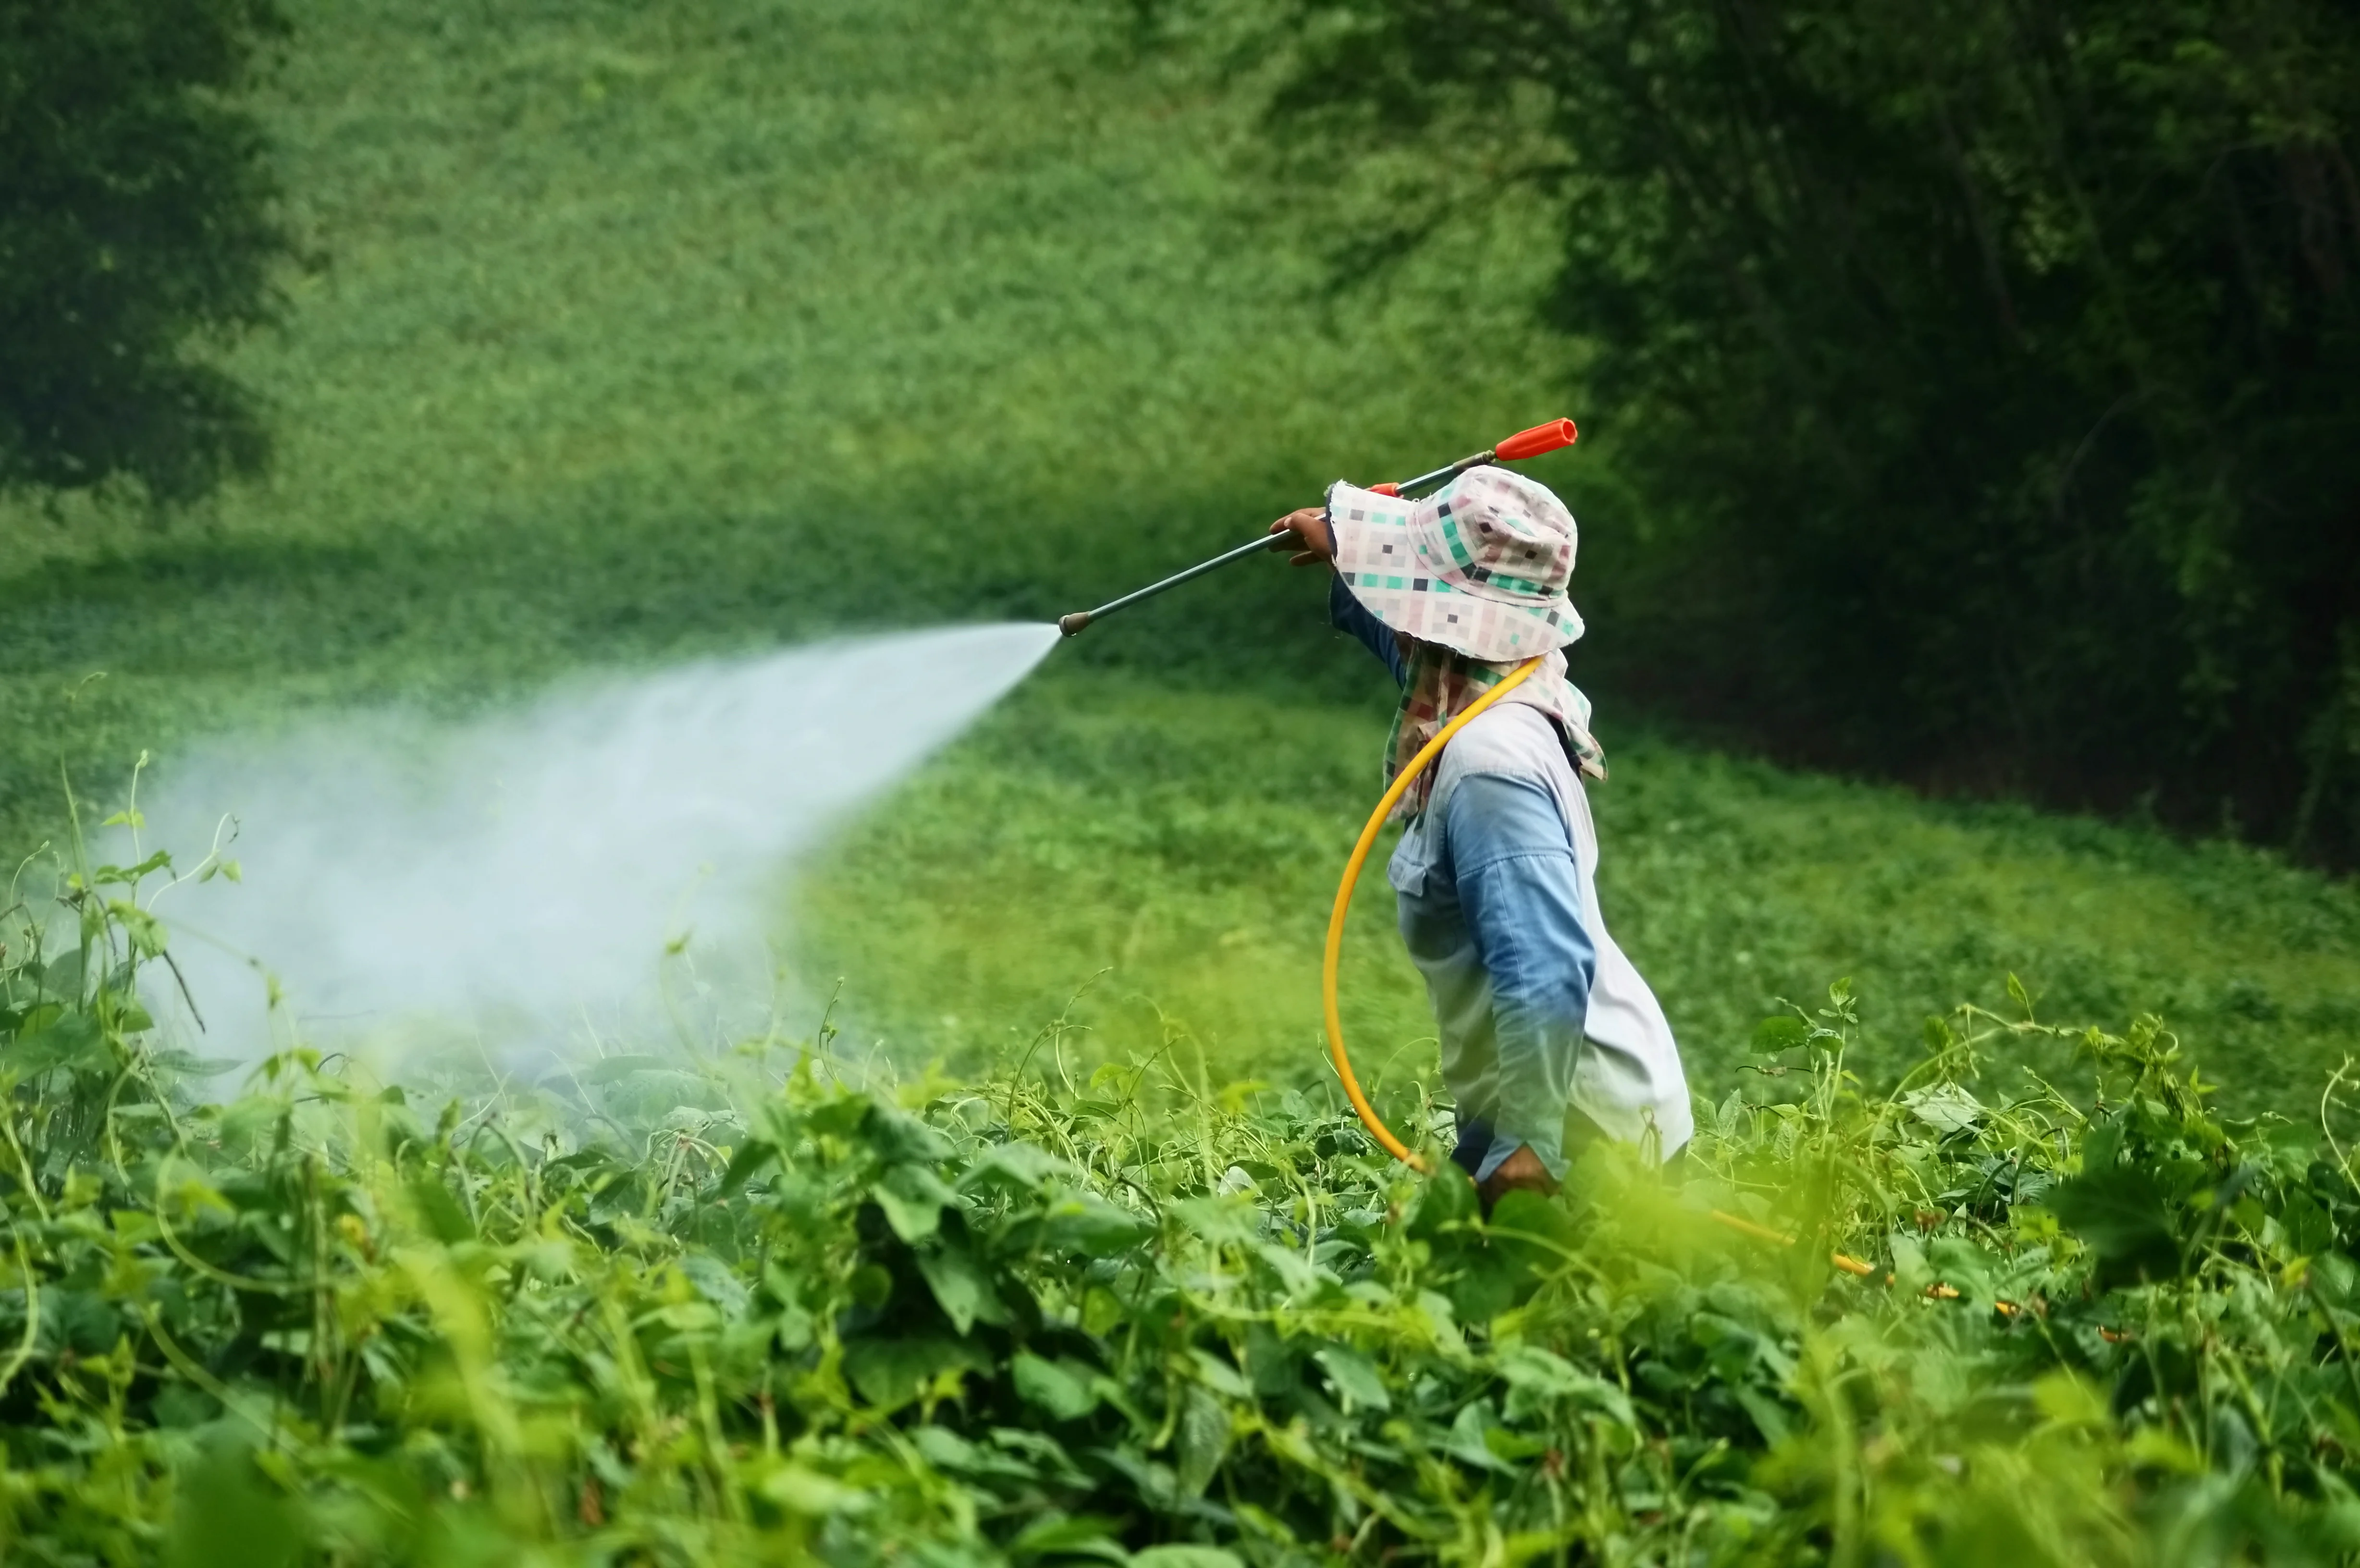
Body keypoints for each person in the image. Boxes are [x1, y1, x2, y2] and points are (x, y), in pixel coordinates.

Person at [1269, 466, 1691, 1206]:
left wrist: (1528, 1147)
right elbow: (1413, 647)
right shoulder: (1504, 681)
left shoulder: (1487, 767)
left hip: (1577, 1133)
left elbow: (1545, 968)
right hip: (1560, 1108)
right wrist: (1346, 553)